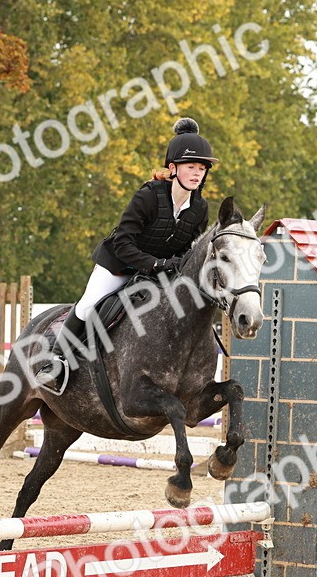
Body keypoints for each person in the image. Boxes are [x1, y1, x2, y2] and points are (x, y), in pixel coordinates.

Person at [34, 117, 218, 394]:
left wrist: (175, 268)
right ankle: (55, 363)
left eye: (202, 169)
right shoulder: (149, 195)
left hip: (159, 274)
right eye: (191, 167)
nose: (197, 173)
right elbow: (123, 242)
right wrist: (156, 264)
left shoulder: (200, 208)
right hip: (120, 265)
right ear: (173, 168)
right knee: (88, 304)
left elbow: (187, 250)